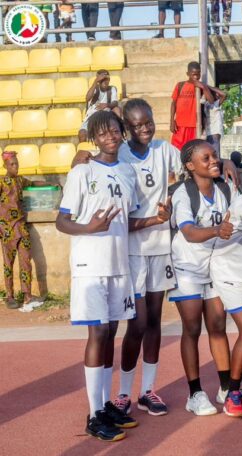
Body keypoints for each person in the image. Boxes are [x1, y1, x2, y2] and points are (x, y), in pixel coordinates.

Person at [56, 111, 139, 441]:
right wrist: (89, 228)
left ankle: (104, 405)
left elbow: (127, 221)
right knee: (99, 333)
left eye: (114, 131)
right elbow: (62, 221)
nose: (110, 137)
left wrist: (156, 220)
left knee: (111, 334)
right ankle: (93, 416)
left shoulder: (127, 171)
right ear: (93, 138)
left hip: (118, 264)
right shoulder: (82, 171)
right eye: (102, 133)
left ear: (122, 133)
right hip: (90, 264)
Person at [113, 99, 182, 418]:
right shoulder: (119, 155)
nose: (144, 129)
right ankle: (123, 393)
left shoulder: (163, 149)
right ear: (127, 128)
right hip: (133, 251)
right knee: (137, 323)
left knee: (154, 321)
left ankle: (147, 391)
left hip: (160, 247)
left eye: (148, 122)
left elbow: (191, 161)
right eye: (137, 125)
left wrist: (223, 162)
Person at [168, 139, 234, 416]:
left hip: (215, 267)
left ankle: (226, 388)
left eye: (215, 155)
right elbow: (189, 233)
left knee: (218, 326)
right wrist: (218, 230)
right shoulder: (183, 193)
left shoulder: (224, 189)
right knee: (192, 328)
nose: (213, 160)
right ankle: (195, 393)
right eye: (205, 158)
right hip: (187, 267)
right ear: (190, 165)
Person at [0, 153, 49, 311]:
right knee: (8, 264)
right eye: (12, 164)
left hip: (21, 227)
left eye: (17, 164)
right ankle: (10, 297)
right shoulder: (1, 182)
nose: (16, 167)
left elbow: (33, 183)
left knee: (26, 262)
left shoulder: (21, 180)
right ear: (5, 166)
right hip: (7, 229)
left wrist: (50, 183)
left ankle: (27, 294)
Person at [170, 62, 215, 152]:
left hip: (195, 126)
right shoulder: (180, 85)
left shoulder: (201, 87)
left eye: (198, 74)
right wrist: (172, 121)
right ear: (188, 74)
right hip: (180, 126)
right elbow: (173, 103)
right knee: (175, 151)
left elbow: (211, 101)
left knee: (191, 152)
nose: (196, 77)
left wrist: (204, 87)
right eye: (194, 74)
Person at [79, 70, 120, 143]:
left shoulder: (112, 89)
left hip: (105, 116)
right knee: (82, 134)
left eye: (106, 79)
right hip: (92, 116)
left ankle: (120, 133)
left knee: (117, 109)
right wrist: (95, 82)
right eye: (102, 79)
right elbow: (87, 98)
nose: (105, 81)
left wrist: (106, 105)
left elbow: (115, 102)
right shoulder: (95, 88)